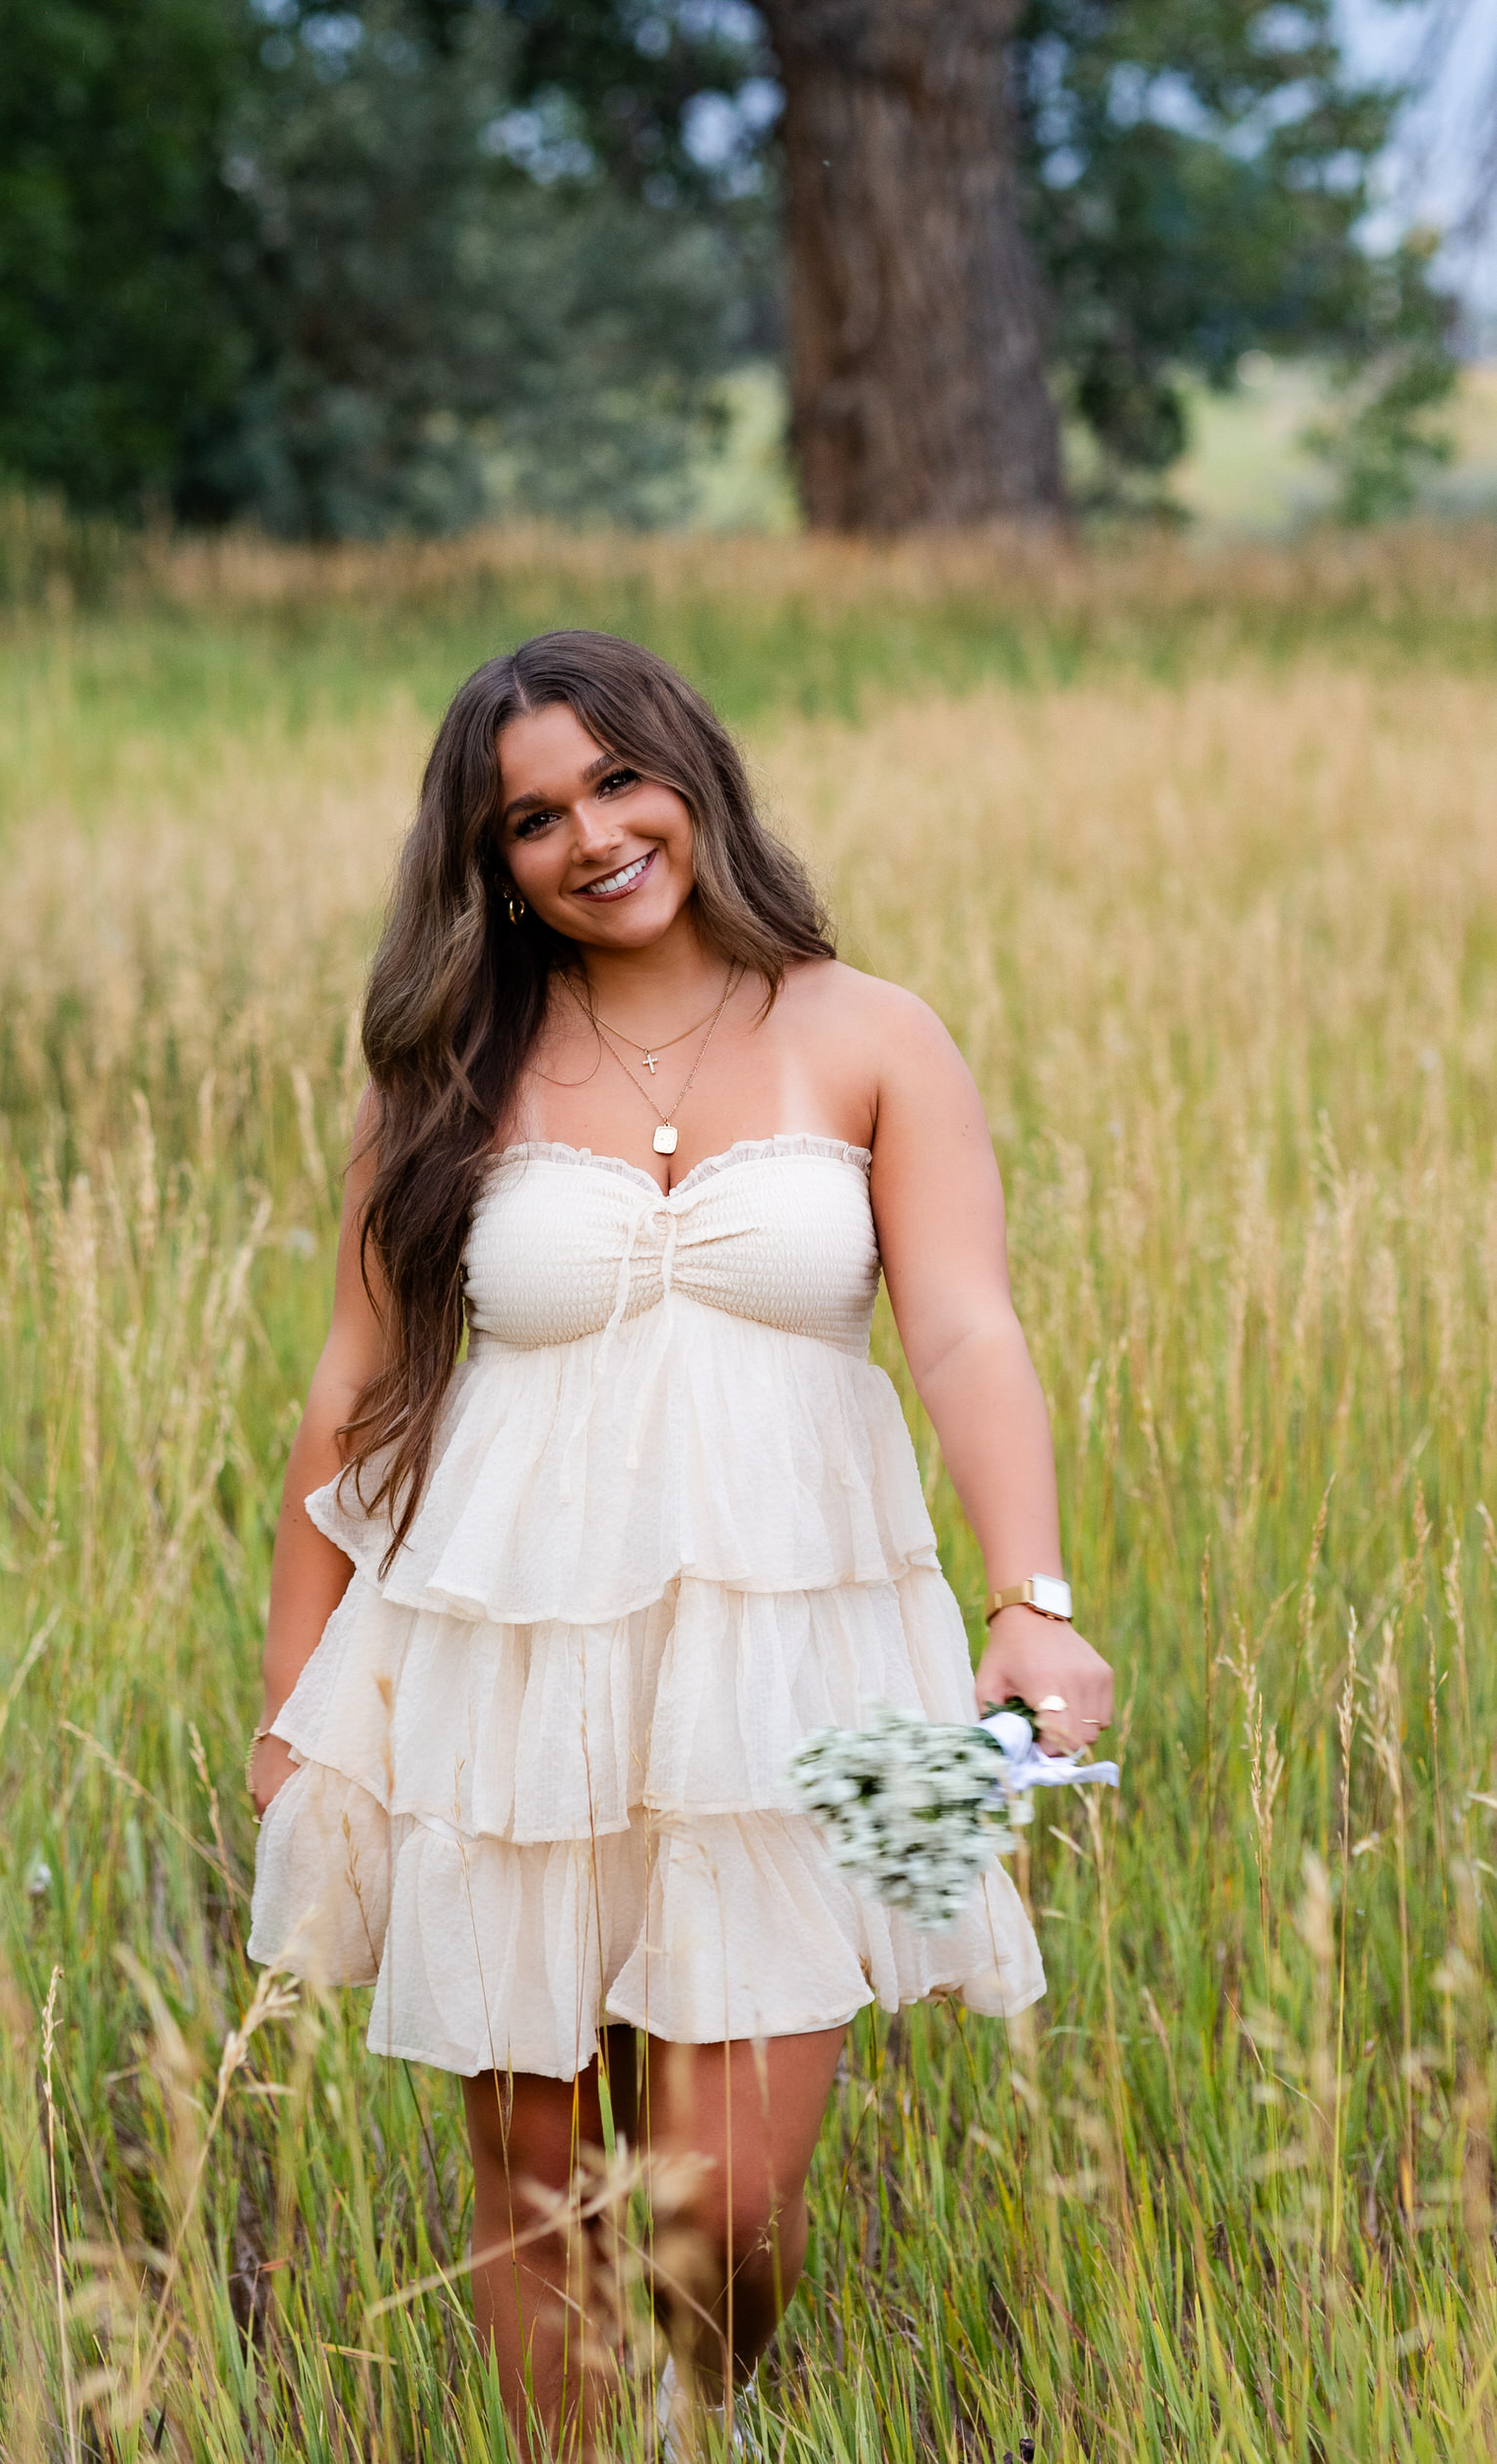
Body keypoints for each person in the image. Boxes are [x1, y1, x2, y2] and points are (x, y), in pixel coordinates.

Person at [246, 631, 1113, 2456]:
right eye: (533, 817)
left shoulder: (868, 1028)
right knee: (543, 2169)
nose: (594, 836)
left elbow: (964, 1330)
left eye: (619, 780)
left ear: (692, 773)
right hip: (504, 1667)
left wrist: (1030, 1601)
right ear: (491, 864)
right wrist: (295, 1702)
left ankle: (682, 2412)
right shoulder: (443, 1070)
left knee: (721, 2206)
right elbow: (353, 1391)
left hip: (809, 1660)